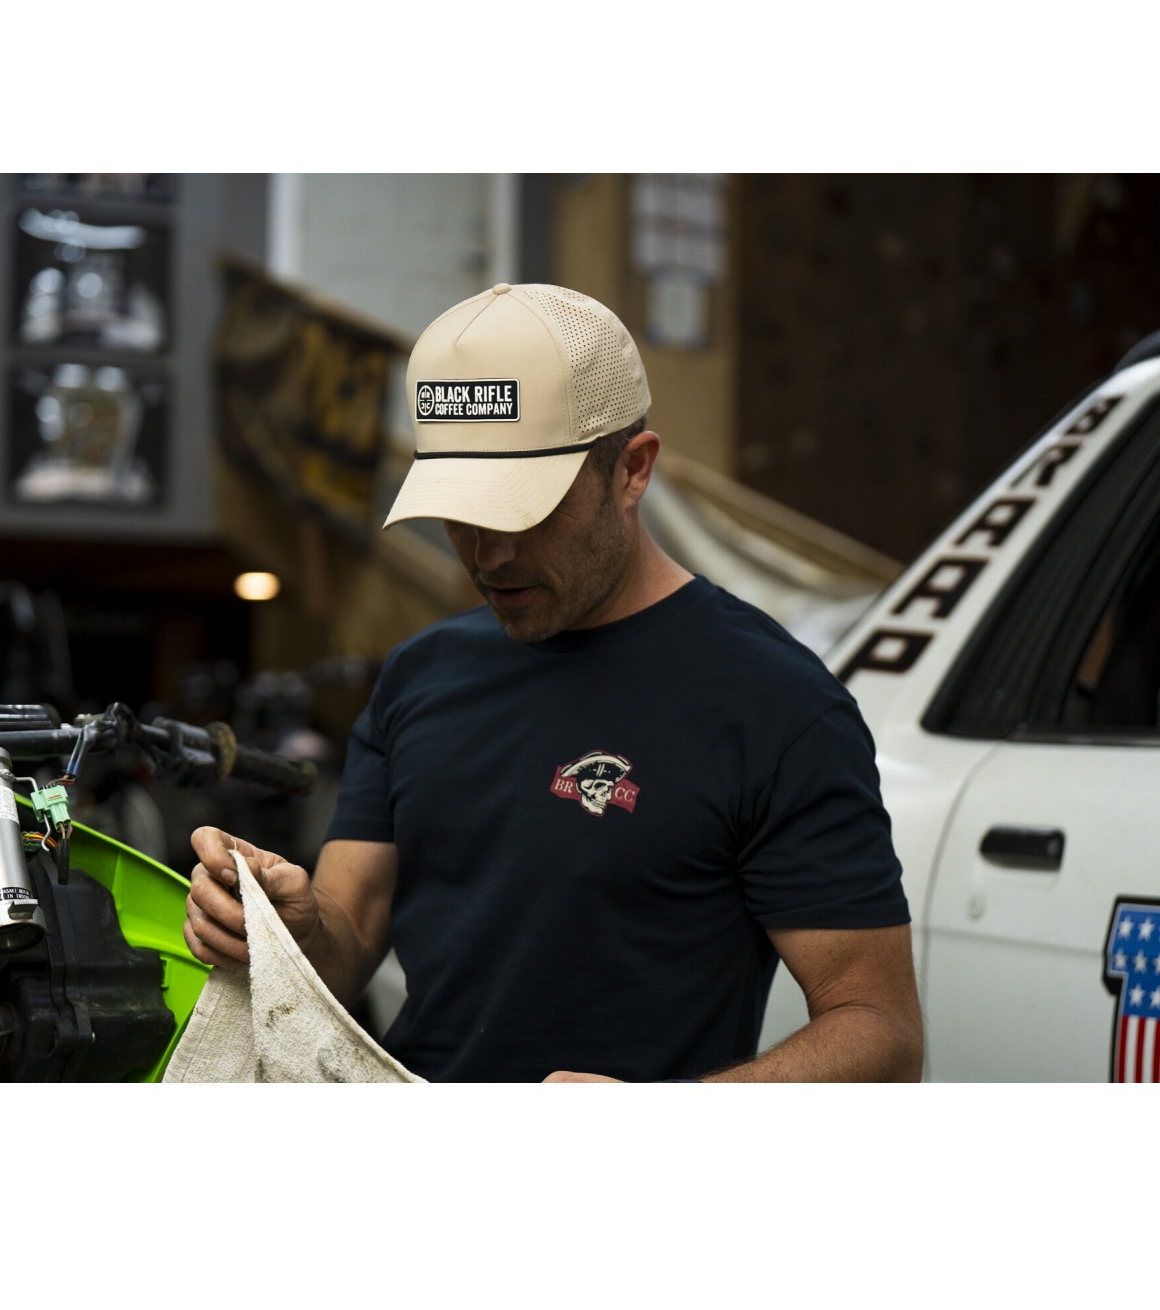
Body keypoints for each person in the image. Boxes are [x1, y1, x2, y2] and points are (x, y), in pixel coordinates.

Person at [184, 282, 923, 1083]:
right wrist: (286, 931)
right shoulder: (420, 674)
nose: (489, 553)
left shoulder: (776, 703)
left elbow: (880, 1030)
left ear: (632, 470)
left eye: (525, 510)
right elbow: (348, 936)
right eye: (462, 511)